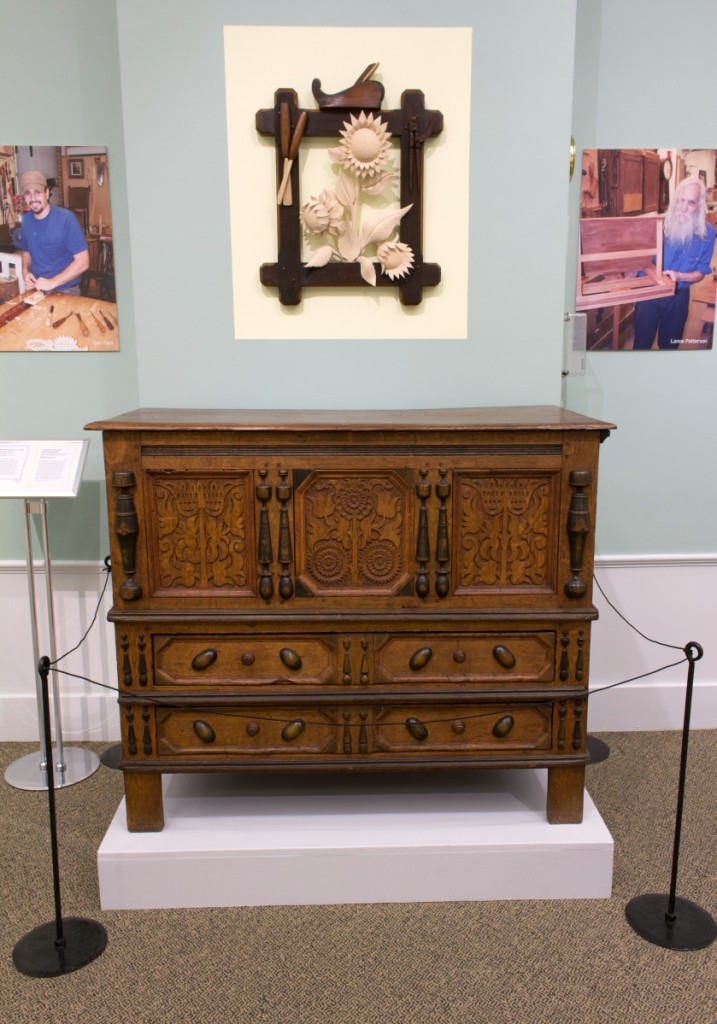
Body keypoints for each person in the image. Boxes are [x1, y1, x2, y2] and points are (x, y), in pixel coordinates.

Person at [633, 177, 715, 350]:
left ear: (700, 206)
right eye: (680, 201)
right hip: (649, 294)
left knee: (670, 345)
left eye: (690, 203)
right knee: (641, 344)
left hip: (679, 297)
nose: (683, 208)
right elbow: (636, 258)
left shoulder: (707, 234)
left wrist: (679, 276)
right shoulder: (657, 225)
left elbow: (700, 272)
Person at [18, 170, 89, 294]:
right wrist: (25, 271)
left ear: (46, 193)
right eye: (28, 194)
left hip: (66, 289)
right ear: (24, 197)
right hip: (38, 289)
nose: (33, 199)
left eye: (37, 192)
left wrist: (53, 282)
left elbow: (83, 262)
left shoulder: (66, 219)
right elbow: (26, 251)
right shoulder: (26, 220)